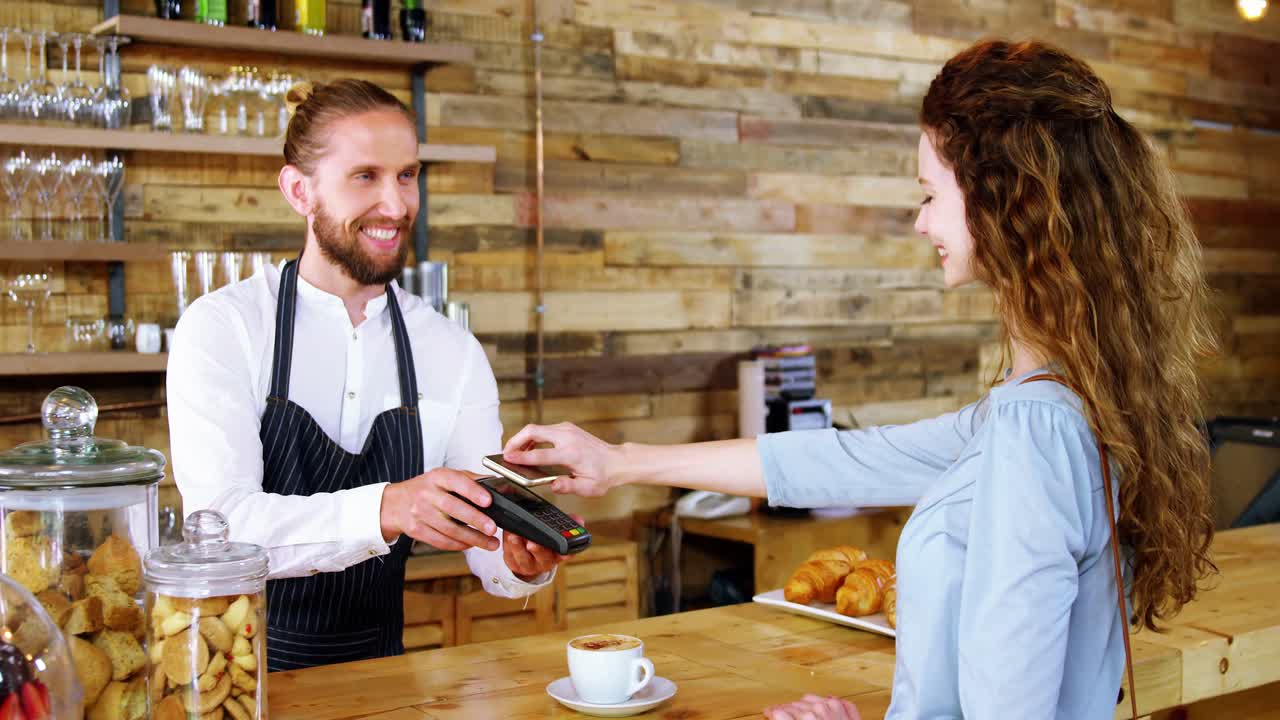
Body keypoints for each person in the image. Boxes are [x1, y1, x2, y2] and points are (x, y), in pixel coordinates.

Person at [500, 40, 1218, 719]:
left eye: (930, 193)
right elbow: (852, 458)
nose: (919, 222)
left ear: (1004, 202)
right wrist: (620, 462)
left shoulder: (1037, 432)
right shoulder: (1055, 408)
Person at [167, 79, 567, 671]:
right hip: (237, 678)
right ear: (299, 190)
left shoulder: (450, 350)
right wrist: (387, 508)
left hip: (384, 679)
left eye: (407, 176)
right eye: (366, 177)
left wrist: (519, 558)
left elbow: (488, 533)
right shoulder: (224, 328)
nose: (396, 204)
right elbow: (224, 529)